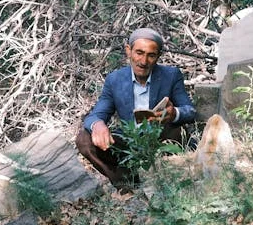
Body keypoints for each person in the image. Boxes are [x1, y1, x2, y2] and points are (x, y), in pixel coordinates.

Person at [76, 27, 196, 187]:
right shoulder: (115, 80)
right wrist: (98, 125)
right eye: (139, 53)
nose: (144, 61)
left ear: (158, 56)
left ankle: (168, 178)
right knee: (84, 139)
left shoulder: (171, 75)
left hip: (161, 138)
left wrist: (174, 114)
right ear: (128, 51)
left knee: (177, 129)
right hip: (130, 141)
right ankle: (125, 183)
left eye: (151, 55)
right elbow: (97, 114)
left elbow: (190, 111)